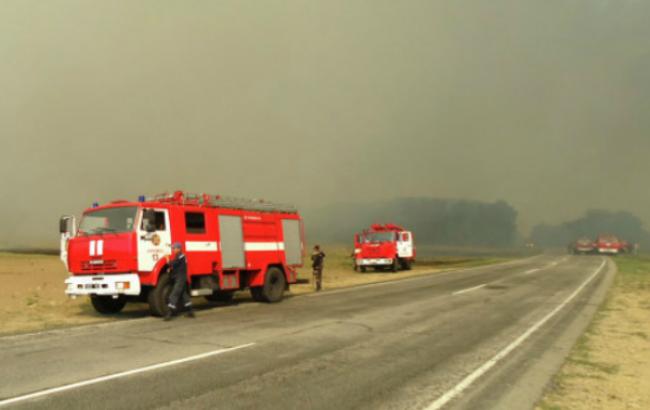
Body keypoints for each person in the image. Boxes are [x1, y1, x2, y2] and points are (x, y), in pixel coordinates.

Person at [164, 242, 195, 320]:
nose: (173, 249)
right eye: (173, 248)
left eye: (174, 248)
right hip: (181, 278)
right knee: (184, 295)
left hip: (180, 279)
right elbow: (176, 266)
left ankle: (169, 314)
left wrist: (167, 259)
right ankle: (190, 311)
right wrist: (170, 269)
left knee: (173, 295)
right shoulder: (179, 256)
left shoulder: (181, 256)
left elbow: (173, 263)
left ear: (179, 249)